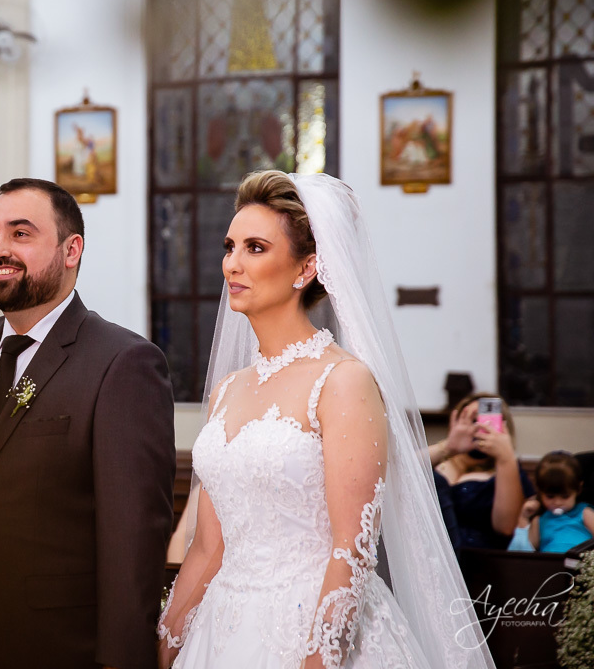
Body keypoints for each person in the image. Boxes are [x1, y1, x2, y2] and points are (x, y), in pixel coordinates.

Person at [157, 171, 494, 669]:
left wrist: (320, 656)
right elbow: (209, 546)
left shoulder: (343, 381)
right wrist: (166, 640)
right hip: (223, 632)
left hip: (316, 628)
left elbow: (352, 546)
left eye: (255, 248)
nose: (232, 264)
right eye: (230, 247)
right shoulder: (228, 391)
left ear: (306, 267)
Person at [0, 177, 176, 669]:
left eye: (21, 234)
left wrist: (122, 659)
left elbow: (132, 540)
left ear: (71, 249)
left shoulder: (122, 362)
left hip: (60, 645)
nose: (0, 249)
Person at [430, 393, 532, 550]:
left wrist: (505, 457)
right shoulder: (441, 461)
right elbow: (401, 469)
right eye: (471, 421)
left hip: (477, 561)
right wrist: (447, 447)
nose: (478, 427)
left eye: (486, 421)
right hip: (430, 551)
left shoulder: (506, 469)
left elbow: (505, 527)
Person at [523, 451, 593, 553]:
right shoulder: (539, 521)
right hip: (550, 565)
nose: (557, 502)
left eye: (565, 496)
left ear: (578, 489)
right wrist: (523, 518)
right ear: (540, 492)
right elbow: (526, 550)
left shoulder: (584, 513)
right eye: (550, 497)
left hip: (580, 564)